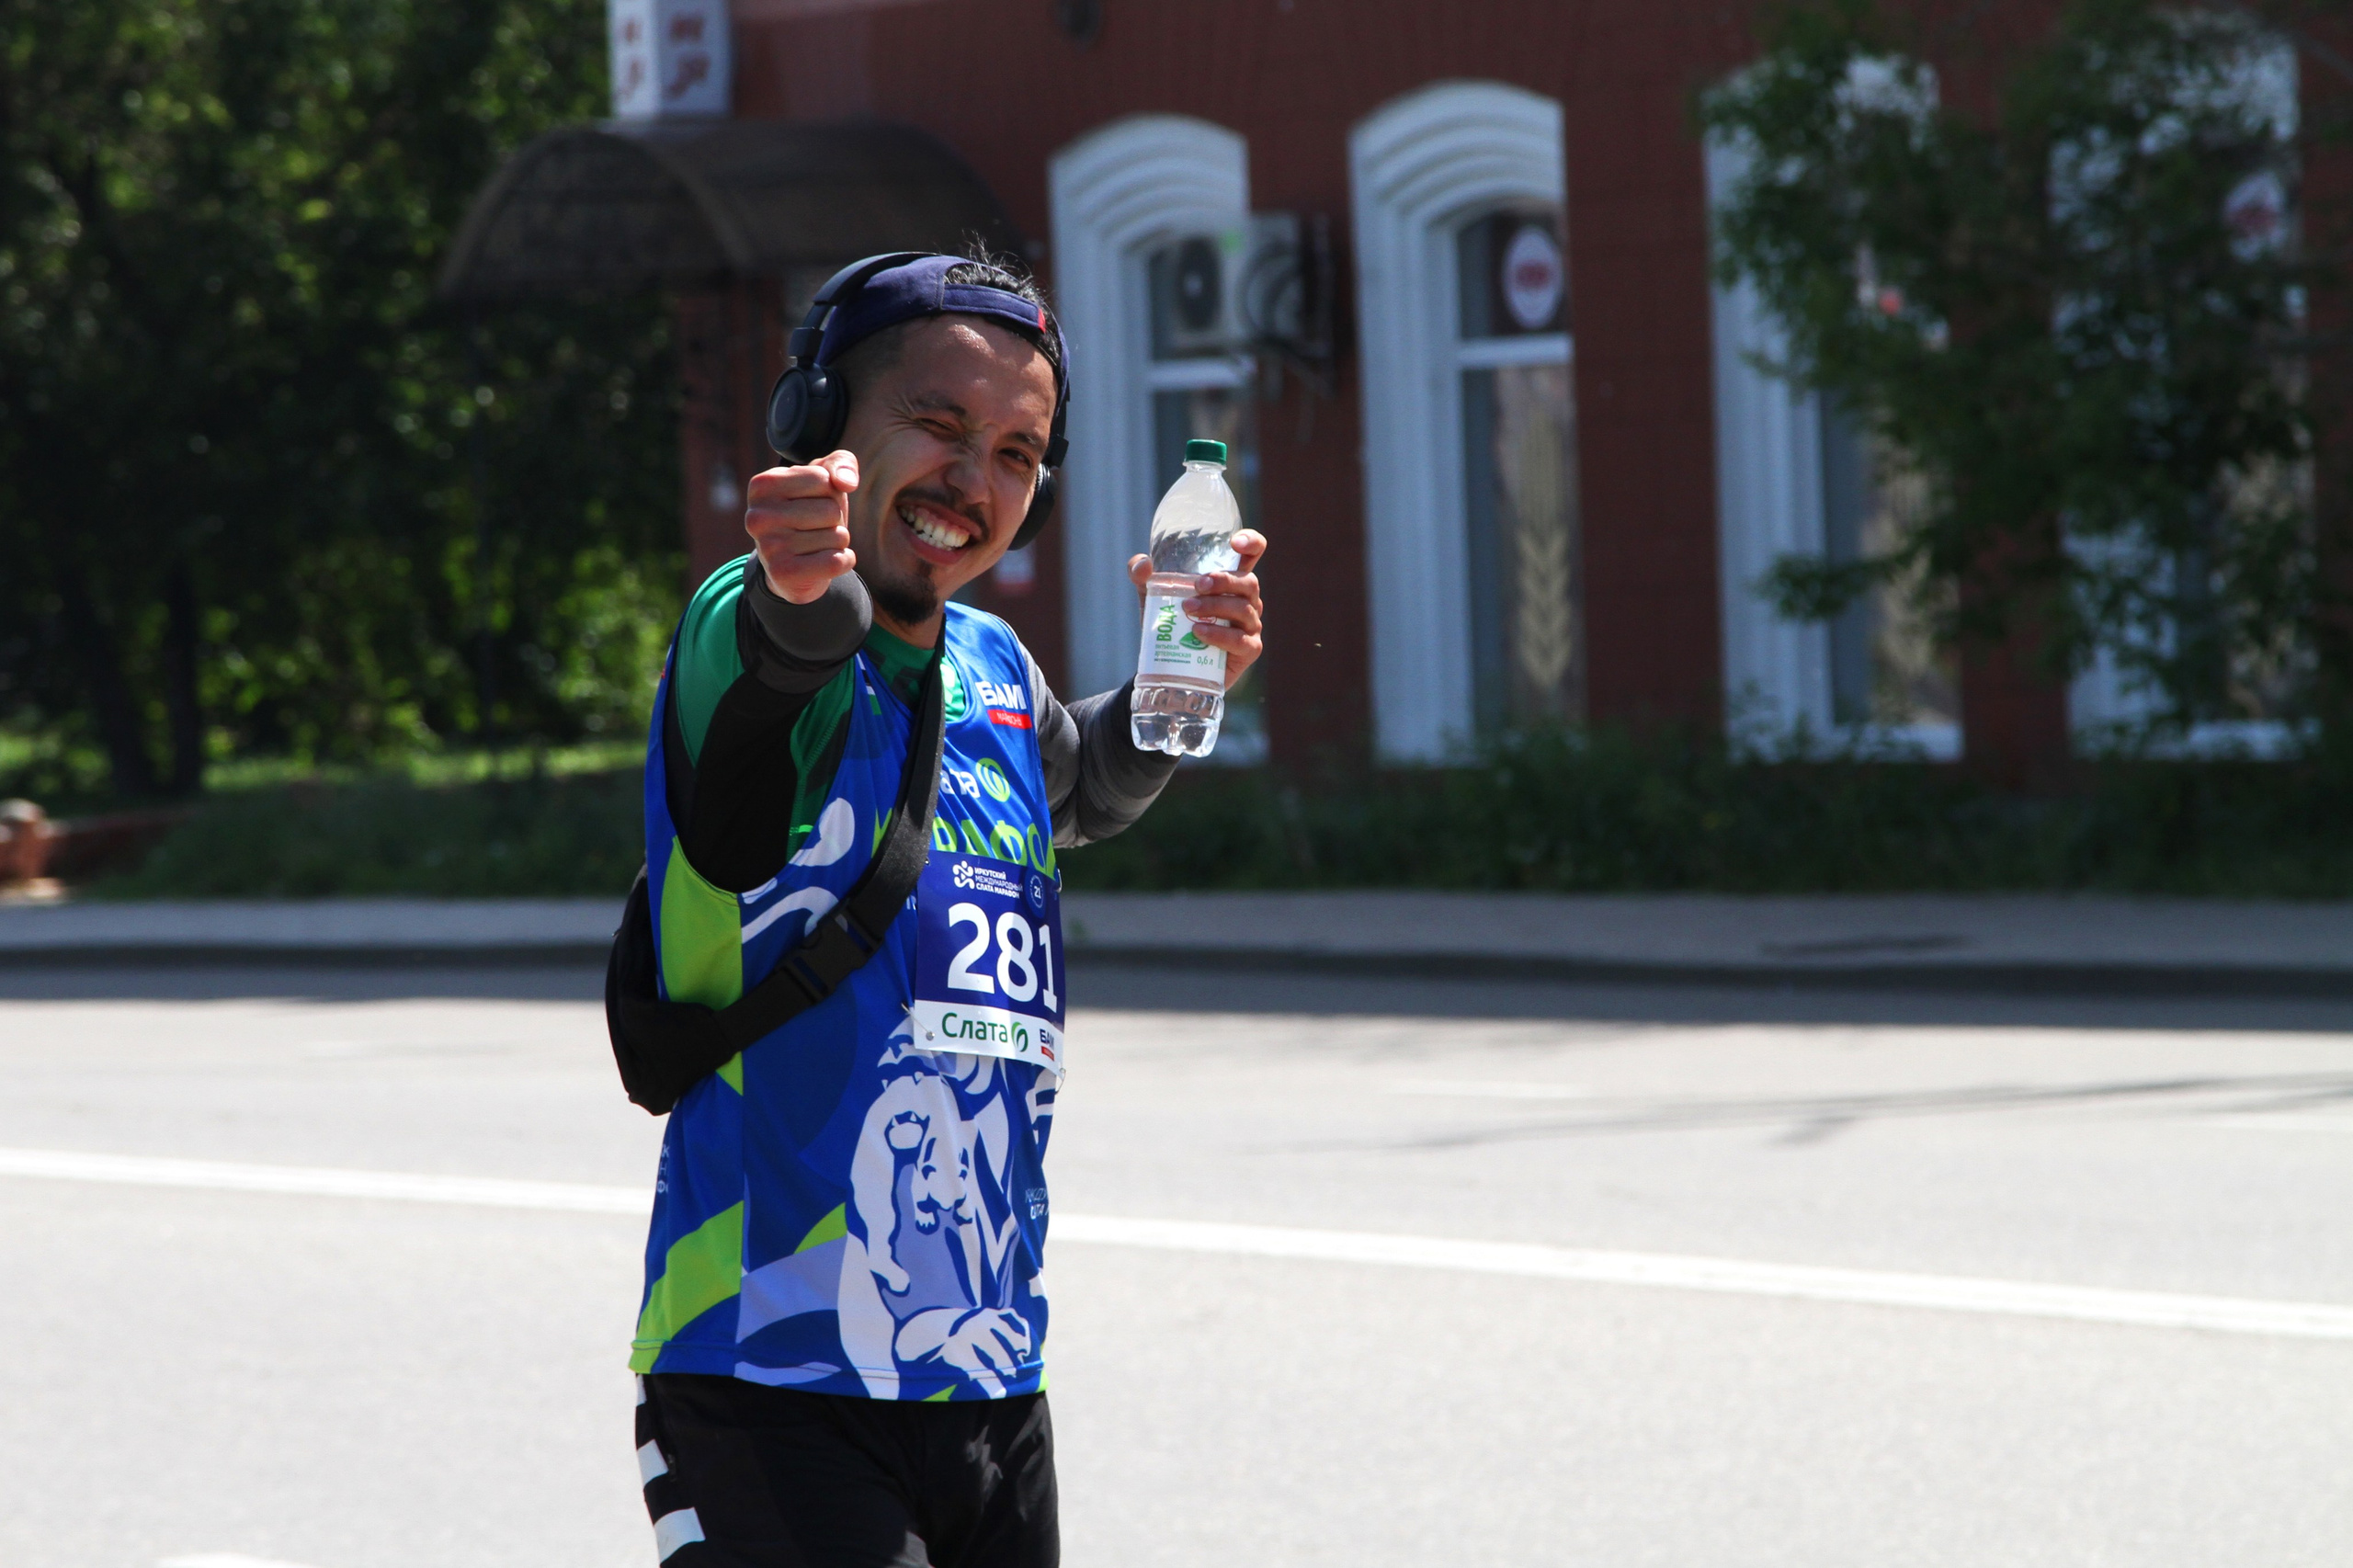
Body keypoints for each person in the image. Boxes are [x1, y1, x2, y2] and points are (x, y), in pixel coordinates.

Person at [618, 251, 1267, 1568]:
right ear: (819, 426)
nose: (977, 481)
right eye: (942, 425)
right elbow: (751, 748)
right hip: (768, 1370)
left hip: (982, 1370)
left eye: (1020, 451)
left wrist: (1167, 700)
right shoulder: (749, 622)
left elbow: (1065, 786)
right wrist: (797, 604)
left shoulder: (992, 668)